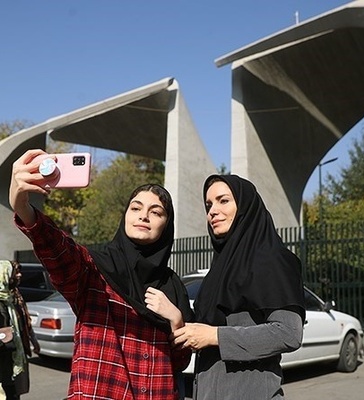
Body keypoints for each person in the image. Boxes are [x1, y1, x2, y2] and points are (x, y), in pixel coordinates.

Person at [9, 149, 194, 400]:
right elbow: (59, 252)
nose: (144, 215)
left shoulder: (173, 288)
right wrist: (23, 209)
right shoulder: (94, 270)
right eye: (136, 208)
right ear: (125, 215)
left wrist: (176, 321)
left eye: (156, 212)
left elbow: (180, 363)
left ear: (167, 225)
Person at [170, 174, 306, 399]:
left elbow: (288, 333)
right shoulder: (221, 268)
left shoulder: (272, 259)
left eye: (223, 201)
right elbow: (203, 332)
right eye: (208, 205)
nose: (213, 211)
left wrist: (215, 336)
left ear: (245, 207)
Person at [0, 259, 40, 400]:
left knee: (14, 392)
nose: (19, 275)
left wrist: (33, 340)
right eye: (15, 272)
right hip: (4, 360)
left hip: (14, 357)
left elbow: (24, 321)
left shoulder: (14, 298)